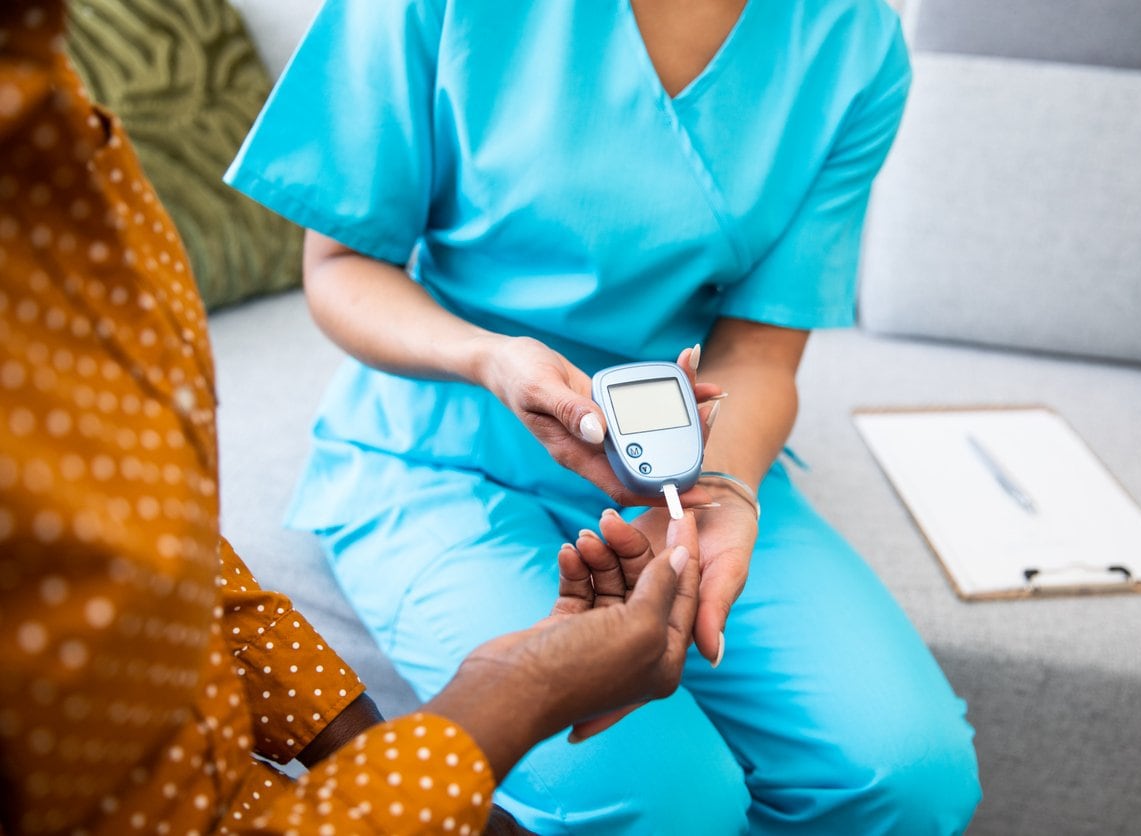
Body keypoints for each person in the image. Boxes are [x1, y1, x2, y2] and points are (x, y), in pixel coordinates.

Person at [228, 0, 983, 832]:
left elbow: (762, 354)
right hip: (441, 450)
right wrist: (488, 356)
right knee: (667, 802)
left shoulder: (849, 37)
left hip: (685, 462)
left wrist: (724, 486)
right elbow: (339, 265)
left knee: (907, 775)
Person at [0, 2, 707, 833]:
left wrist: (388, 751)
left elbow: (171, 559)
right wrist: (510, 698)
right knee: (672, 800)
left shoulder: (63, 132)